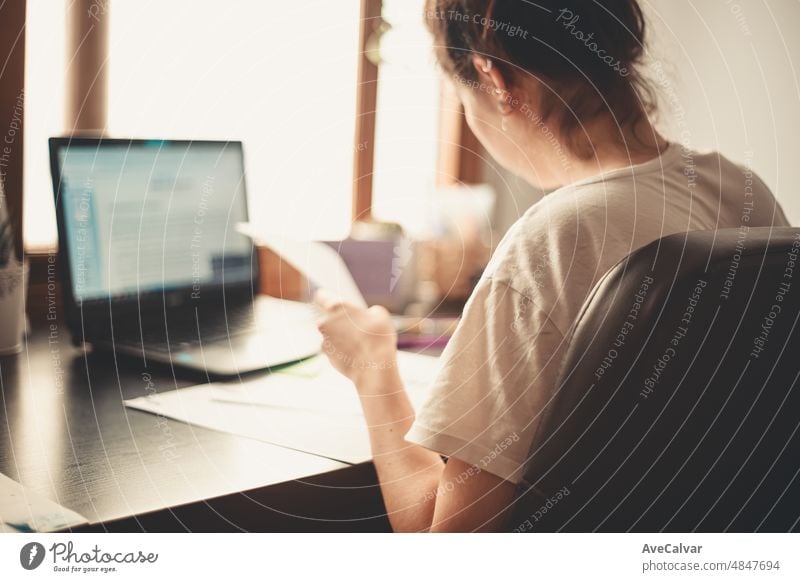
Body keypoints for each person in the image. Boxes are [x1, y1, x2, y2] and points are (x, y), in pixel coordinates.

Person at [314, 0, 791, 532]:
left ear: (494, 80)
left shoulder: (551, 242)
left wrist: (371, 368)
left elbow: (449, 545)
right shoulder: (741, 191)